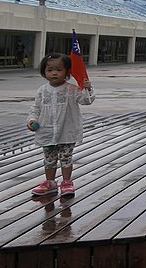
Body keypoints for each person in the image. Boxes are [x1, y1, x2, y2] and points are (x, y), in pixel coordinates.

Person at [27, 53, 95, 196]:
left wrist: (87, 88)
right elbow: (36, 108)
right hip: (47, 131)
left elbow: (86, 101)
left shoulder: (71, 89)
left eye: (58, 70)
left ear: (67, 72)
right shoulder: (42, 90)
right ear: (44, 72)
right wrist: (32, 120)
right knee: (49, 159)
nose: (54, 73)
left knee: (65, 157)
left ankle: (66, 182)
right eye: (50, 70)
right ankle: (50, 182)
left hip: (66, 130)